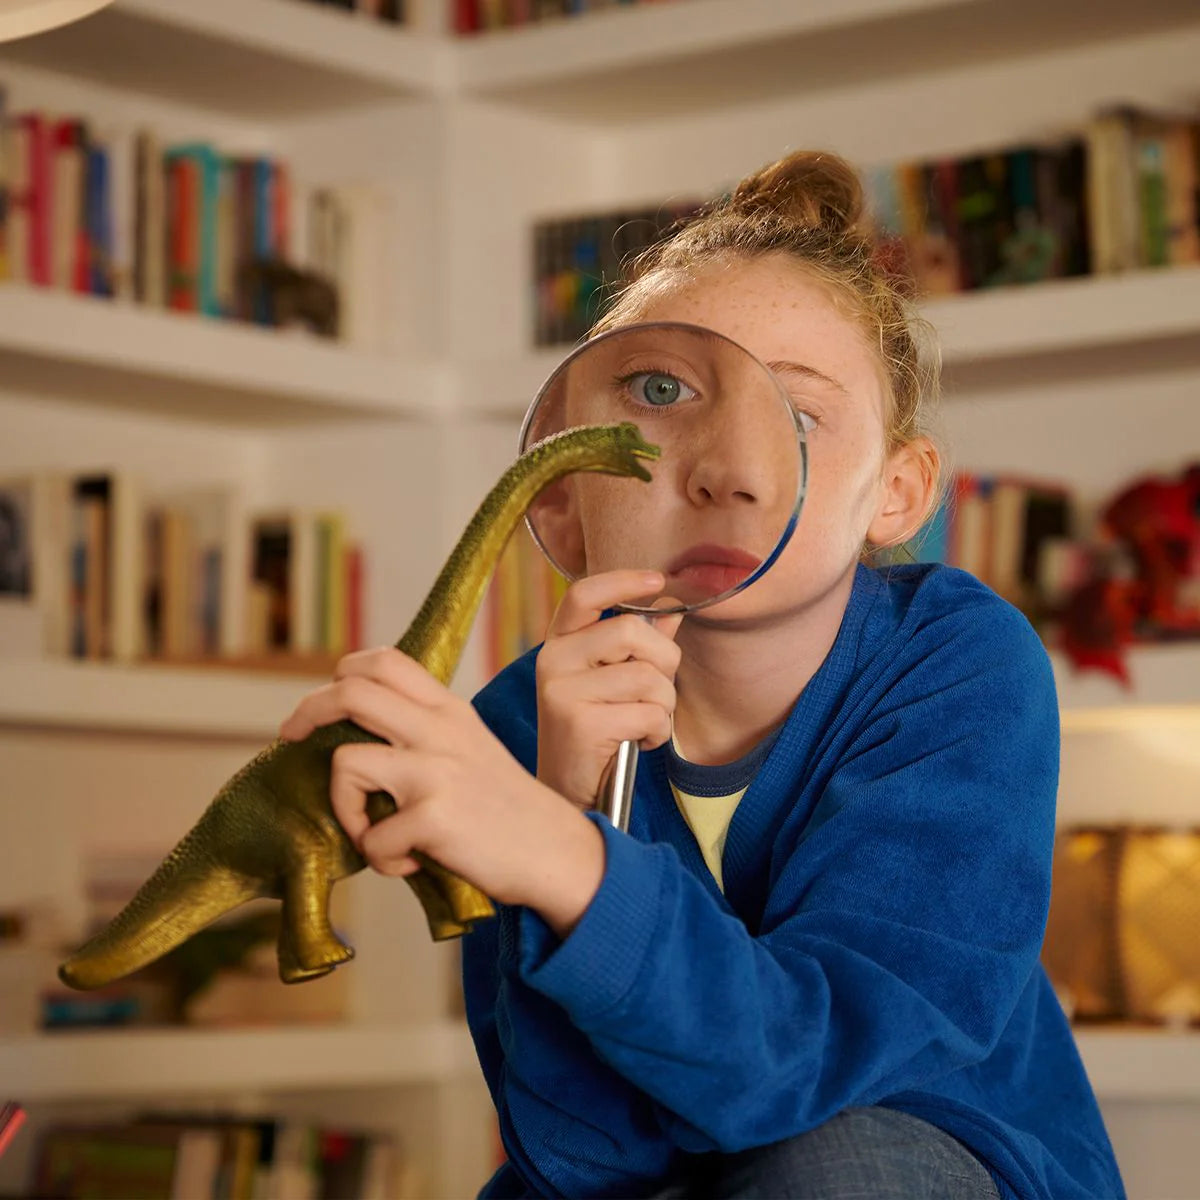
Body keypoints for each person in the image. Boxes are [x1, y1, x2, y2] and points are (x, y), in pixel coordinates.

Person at [278, 150, 1126, 1199]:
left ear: (897, 495)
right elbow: (583, 1157)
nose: (727, 467)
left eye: (799, 417)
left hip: (911, 1159)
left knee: (827, 1165)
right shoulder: (520, 724)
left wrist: (559, 854)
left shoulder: (960, 664)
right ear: (562, 475)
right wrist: (566, 803)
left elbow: (809, 1068)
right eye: (659, 390)